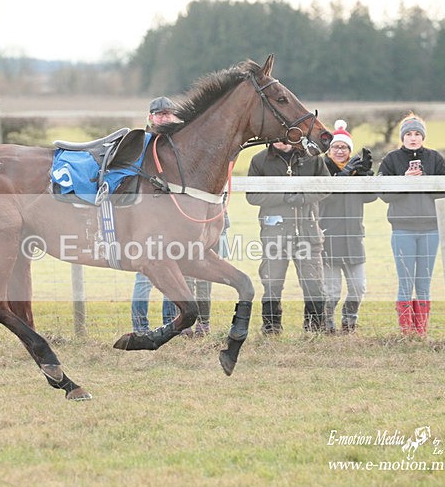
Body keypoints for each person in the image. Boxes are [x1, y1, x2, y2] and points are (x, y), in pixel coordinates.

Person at [130, 96, 228, 337]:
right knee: (143, 279)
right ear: (150, 117)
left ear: (175, 117)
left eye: (168, 114)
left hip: (174, 225)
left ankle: (170, 326)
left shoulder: (181, 148)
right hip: (145, 223)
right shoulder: (140, 146)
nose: (164, 117)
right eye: (159, 114)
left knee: (171, 278)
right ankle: (140, 327)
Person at [378, 112, 445, 336]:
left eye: (417, 133)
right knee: (405, 280)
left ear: (423, 136)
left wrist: (425, 180)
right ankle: (406, 331)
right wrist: (405, 181)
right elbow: (384, 193)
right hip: (402, 228)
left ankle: (421, 331)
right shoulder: (391, 160)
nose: (412, 138)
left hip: (430, 228)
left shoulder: (435, 158)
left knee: (424, 282)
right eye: (408, 133)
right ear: (402, 136)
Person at [246, 141, 331, 335]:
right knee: (272, 282)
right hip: (274, 233)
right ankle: (271, 327)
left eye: (284, 135)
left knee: (313, 282)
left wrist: (303, 197)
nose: (280, 139)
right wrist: (283, 196)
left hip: (307, 233)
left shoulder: (312, 158)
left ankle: (315, 329)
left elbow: (326, 186)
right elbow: (252, 195)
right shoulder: (260, 160)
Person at [319, 120, 378, 333]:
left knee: (358, 287)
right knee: (332, 290)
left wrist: (365, 176)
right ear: (329, 149)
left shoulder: (355, 171)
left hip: (353, 236)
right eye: (335, 146)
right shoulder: (321, 168)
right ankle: (327, 324)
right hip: (329, 236)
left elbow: (371, 198)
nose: (340, 151)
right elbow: (322, 197)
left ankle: (349, 321)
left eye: (344, 147)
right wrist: (342, 178)